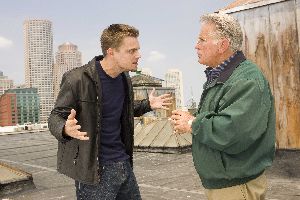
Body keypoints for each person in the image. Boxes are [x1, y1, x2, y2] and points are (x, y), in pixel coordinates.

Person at [48, 24, 172, 200]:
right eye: (131, 51)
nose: (139, 55)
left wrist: (147, 105)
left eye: (138, 49)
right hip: (95, 171)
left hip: (123, 164)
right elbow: (55, 116)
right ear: (111, 52)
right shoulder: (77, 78)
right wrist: (65, 128)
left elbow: (121, 109)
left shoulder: (124, 78)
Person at [170, 13, 275, 200]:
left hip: (236, 187)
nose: (196, 45)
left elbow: (233, 132)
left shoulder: (246, 79)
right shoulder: (222, 76)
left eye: (202, 40)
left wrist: (193, 123)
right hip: (228, 183)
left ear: (223, 45)